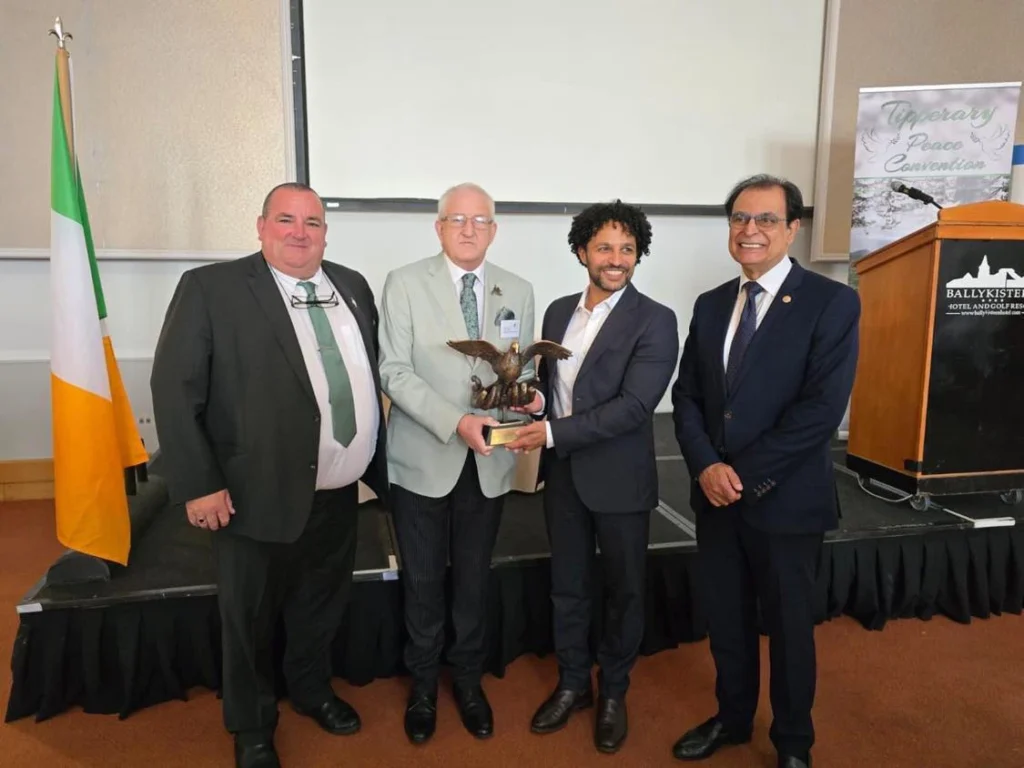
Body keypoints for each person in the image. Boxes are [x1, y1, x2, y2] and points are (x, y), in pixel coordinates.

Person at [150, 182, 388, 768]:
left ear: (326, 233)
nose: (300, 232)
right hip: (253, 494)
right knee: (249, 617)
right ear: (261, 227)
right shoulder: (212, 288)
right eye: (286, 219)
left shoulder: (352, 285)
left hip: (338, 491)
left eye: (313, 222)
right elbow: (174, 390)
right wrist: (199, 482)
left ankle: (309, 690)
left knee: (321, 603)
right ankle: (252, 724)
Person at [670, 175, 859, 768]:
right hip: (716, 498)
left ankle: (793, 743)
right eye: (740, 219)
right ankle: (731, 718)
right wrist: (705, 466)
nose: (750, 230)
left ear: (792, 229)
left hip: (784, 501)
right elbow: (689, 399)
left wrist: (740, 475)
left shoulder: (831, 302)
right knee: (726, 621)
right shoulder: (710, 303)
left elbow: (820, 411)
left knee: (789, 630)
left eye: (766, 220)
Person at [505, 200, 678, 754]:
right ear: (582, 251)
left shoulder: (656, 318)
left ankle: (613, 692)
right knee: (569, 587)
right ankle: (574, 684)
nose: (616, 259)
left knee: (624, 592)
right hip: (565, 479)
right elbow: (551, 390)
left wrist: (552, 434)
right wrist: (531, 402)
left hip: (620, 481)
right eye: (605, 247)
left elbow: (634, 408)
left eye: (627, 249)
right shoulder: (558, 312)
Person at [377, 182, 536, 745]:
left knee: (473, 579)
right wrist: (456, 421)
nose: (469, 228)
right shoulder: (403, 283)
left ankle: (467, 681)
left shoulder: (518, 289)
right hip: (424, 458)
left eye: (481, 220)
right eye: (457, 219)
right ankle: (422, 685)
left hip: (488, 464)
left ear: (494, 230)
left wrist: (531, 398)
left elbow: (522, 371)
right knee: (421, 581)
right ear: (439, 227)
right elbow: (394, 371)